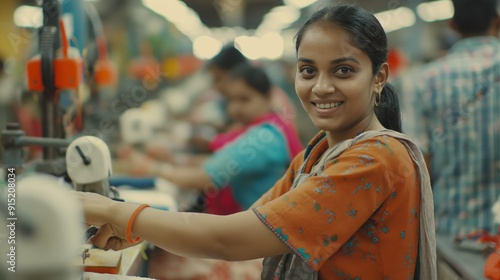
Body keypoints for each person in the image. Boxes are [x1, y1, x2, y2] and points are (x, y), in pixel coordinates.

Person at [77, 5, 437, 279]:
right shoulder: (317, 153)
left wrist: (114, 211)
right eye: (308, 70)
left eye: (343, 70)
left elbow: (228, 240)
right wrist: (139, 227)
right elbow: (247, 221)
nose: (321, 87)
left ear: (379, 77)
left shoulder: (375, 159)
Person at [122, 64, 303, 213]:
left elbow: (205, 177)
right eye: (231, 100)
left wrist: (151, 167)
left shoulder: (263, 139)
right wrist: (173, 158)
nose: (235, 108)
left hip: (253, 235)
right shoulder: (266, 126)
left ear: (268, 97)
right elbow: (221, 160)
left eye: (244, 99)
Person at [403, 0, 500, 235]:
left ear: (452, 25)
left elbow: (419, 164)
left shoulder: (425, 80)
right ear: (497, 22)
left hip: (448, 230)